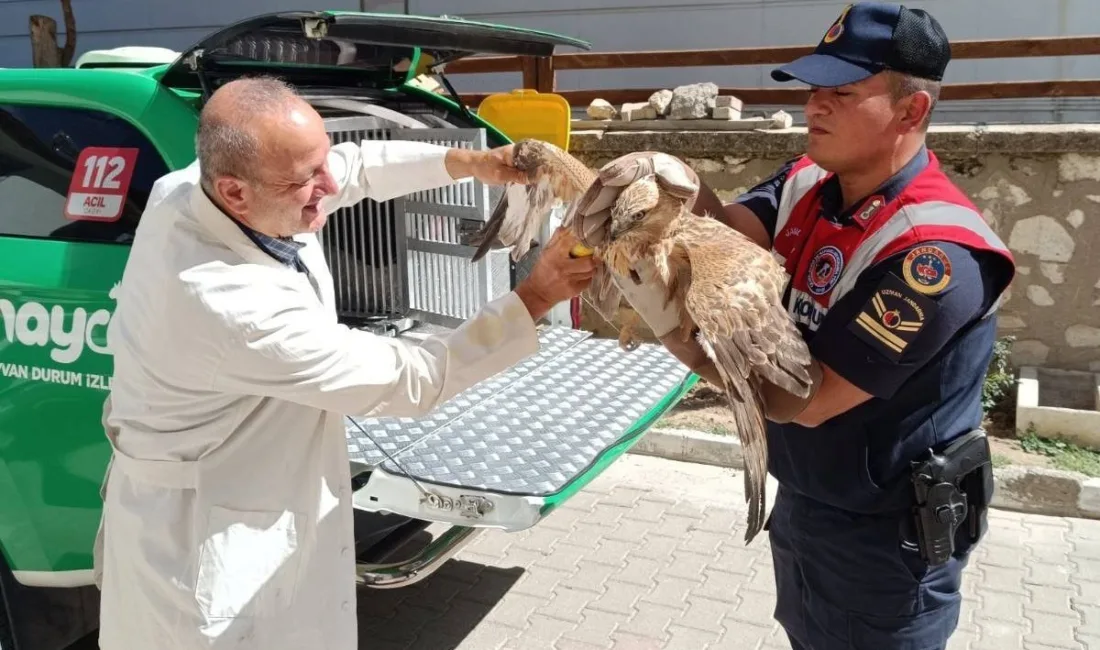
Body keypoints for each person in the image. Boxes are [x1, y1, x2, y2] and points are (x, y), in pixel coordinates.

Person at [93, 76, 598, 650]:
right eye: (305, 181)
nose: (328, 187)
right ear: (235, 192)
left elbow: (355, 166)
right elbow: (415, 379)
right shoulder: (228, 304)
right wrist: (535, 296)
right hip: (207, 559)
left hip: (238, 495)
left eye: (321, 162)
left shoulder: (196, 189)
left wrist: (476, 162)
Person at [577, 3, 1017, 649]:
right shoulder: (811, 181)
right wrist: (669, 181)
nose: (816, 108)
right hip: (810, 499)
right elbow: (728, 236)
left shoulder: (934, 256)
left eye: (842, 92)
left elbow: (806, 402)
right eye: (814, 90)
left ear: (911, 111)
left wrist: (678, 335)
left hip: (888, 538)